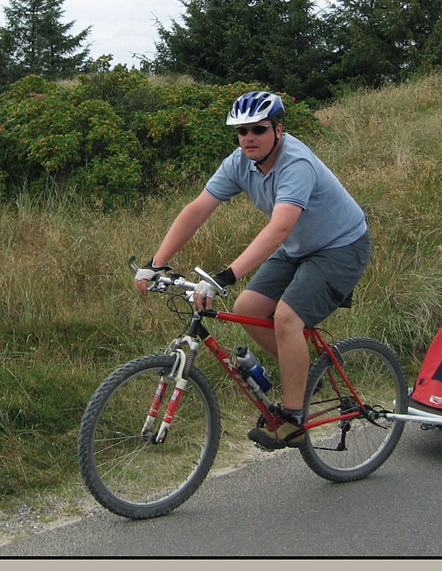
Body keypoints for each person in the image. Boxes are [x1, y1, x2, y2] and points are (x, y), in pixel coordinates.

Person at [134, 90, 371, 449]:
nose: (248, 138)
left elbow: (278, 229)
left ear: (278, 129)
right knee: (246, 309)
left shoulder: (296, 164)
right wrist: (156, 263)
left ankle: (292, 418)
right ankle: (304, 373)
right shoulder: (239, 162)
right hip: (298, 247)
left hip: (341, 247)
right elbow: (198, 208)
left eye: (258, 129)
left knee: (288, 318)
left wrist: (224, 276)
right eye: (241, 131)